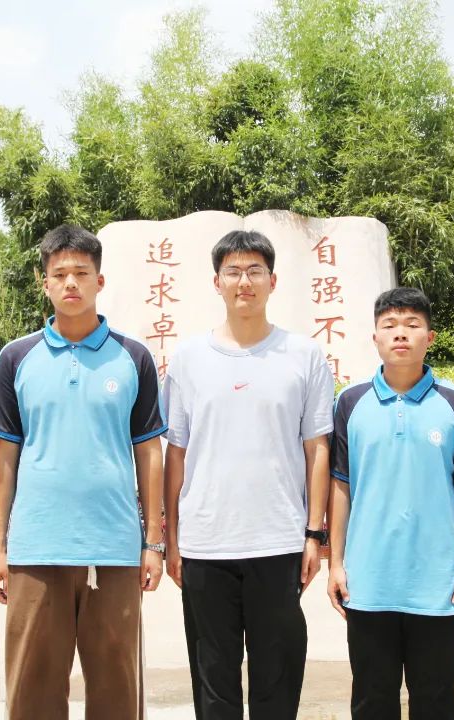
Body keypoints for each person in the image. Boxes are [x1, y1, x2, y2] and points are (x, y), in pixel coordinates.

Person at [0, 224, 165, 720]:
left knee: (116, 692)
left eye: (82, 273)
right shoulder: (16, 358)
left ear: (99, 281)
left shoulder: (132, 358)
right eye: (60, 273)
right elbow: (4, 455)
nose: (71, 283)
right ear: (44, 282)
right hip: (36, 547)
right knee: (33, 694)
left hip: (113, 548)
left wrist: (152, 543)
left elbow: (149, 452)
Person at [162, 230, 334, 720]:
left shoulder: (303, 355)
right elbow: (177, 453)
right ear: (216, 282)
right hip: (205, 544)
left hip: (278, 542)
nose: (244, 282)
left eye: (255, 271)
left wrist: (313, 533)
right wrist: (171, 539)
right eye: (233, 272)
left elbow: (317, 448)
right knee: (213, 680)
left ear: (272, 281)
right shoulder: (189, 359)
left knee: (276, 678)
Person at [327, 287, 454, 720]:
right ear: (375, 337)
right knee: (371, 700)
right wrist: (336, 563)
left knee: (435, 701)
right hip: (368, 582)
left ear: (429, 337)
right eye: (390, 325)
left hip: (439, 584)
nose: (401, 334)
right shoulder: (350, 402)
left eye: (412, 325)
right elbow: (340, 487)